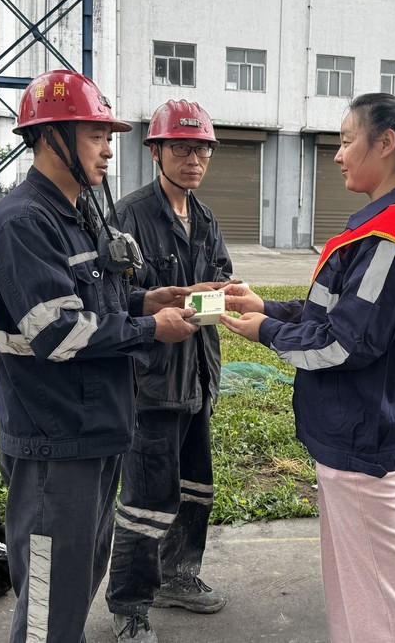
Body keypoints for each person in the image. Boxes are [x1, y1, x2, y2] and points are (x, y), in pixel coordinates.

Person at [0, 70, 200, 643]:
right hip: (55, 439)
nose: (107, 149)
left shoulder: (76, 215)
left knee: (77, 579)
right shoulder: (23, 222)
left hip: (94, 429)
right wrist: (151, 328)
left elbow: (90, 301)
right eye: (96, 136)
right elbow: (57, 333)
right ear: (52, 138)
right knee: (51, 595)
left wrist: (145, 300)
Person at [221, 92, 395, 643]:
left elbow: (347, 344)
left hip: (362, 437)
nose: (338, 155)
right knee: (357, 589)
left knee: (385, 601)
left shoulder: (394, 237)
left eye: (347, 141)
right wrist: (266, 307)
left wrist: (266, 331)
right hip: (354, 432)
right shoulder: (385, 229)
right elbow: (334, 315)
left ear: (385, 143)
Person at [105, 100, 232, 643]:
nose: (194, 159)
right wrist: (168, 302)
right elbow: (111, 300)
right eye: (181, 148)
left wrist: (213, 296)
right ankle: (129, 605)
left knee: (194, 488)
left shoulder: (205, 218)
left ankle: (178, 576)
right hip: (151, 383)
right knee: (146, 502)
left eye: (202, 149)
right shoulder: (128, 218)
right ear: (156, 151)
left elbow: (221, 282)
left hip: (197, 375)